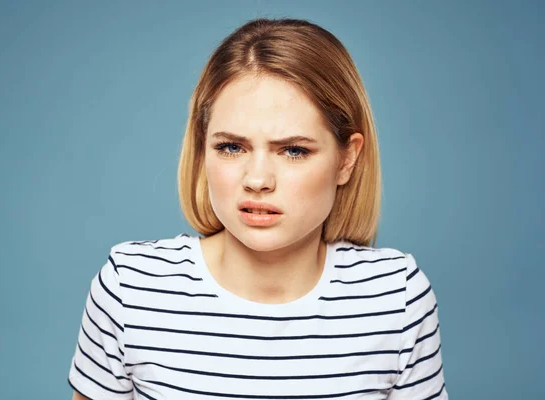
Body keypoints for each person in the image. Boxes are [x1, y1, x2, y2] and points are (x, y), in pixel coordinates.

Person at [68, 17, 447, 400]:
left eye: (294, 150)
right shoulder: (130, 288)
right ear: (202, 151)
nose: (258, 179)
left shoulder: (395, 297)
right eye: (231, 147)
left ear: (347, 160)